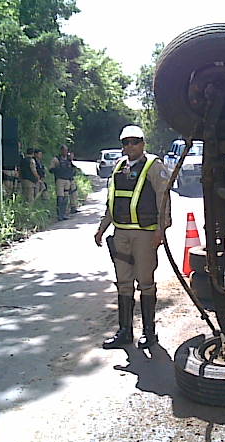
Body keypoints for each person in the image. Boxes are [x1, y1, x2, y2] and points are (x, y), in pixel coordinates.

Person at [94, 125, 171, 349]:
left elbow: (163, 198)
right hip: (121, 233)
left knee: (145, 282)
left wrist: (161, 229)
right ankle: (125, 332)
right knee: (123, 283)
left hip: (145, 234)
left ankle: (149, 333)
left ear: (143, 143)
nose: (130, 146)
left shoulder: (154, 166)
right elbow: (112, 201)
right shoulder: (120, 167)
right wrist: (102, 228)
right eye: (125, 142)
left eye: (134, 141)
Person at [49, 144, 76, 220]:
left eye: (66, 150)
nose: (65, 152)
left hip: (67, 180)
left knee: (66, 198)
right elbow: (51, 169)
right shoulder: (56, 159)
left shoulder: (68, 159)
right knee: (60, 197)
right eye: (64, 150)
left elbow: (72, 168)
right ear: (61, 151)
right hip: (60, 180)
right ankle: (59, 215)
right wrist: (59, 170)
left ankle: (64, 213)